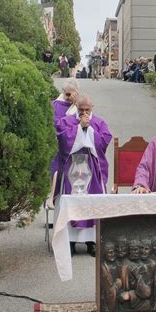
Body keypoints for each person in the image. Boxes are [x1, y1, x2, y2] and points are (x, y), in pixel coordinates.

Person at [55, 94, 112, 256]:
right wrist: (79, 128)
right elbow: (63, 142)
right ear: (76, 107)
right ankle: (70, 241)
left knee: (92, 202)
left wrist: (89, 130)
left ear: (92, 107)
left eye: (87, 110)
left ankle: (91, 242)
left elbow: (104, 142)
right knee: (72, 201)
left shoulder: (99, 123)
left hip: (93, 168)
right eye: (81, 110)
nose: (84, 113)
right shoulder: (66, 121)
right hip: (72, 166)